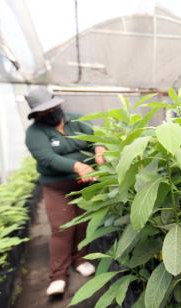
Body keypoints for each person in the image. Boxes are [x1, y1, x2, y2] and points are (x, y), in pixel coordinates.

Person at [24, 87, 106, 296]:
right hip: (57, 186)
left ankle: (80, 259)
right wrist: (78, 166)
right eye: (43, 112)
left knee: (83, 223)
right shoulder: (34, 133)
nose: (50, 113)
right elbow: (47, 158)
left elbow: (97, 137)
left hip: (84, 183)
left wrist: (99, 150)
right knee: (61, 228)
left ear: (58, 105)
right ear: (36, 114)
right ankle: (58, 276)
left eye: (51, 108)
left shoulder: (77, 120)